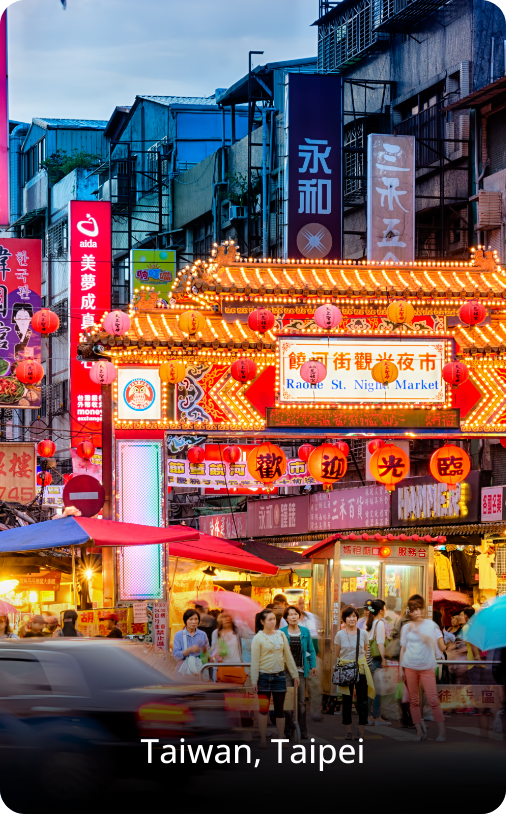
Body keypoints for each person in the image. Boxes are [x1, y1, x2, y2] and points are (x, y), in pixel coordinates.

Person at [399, 596, 446, 742]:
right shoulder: (406, 627)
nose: (417, 612)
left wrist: (418, 632)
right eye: (413, 610)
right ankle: (418, 731)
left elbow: (432, 642)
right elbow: (403, 648)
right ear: (409, 612)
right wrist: (401, 668)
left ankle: (442, 732)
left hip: (426, 666)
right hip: (410, 666)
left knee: (432, 699)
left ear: (423, 609)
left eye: (419, 609)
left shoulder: (430, 625)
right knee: (413, 701)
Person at [251, 609, 299, 749]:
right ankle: (263, 739)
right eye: (270, 619)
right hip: (264, 676)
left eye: (274, 619)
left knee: (280, 710)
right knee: (263, 710)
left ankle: (280, 739)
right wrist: (254, 680)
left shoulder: (281, 635)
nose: (273, 622)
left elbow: (288, 656)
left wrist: (294, 674)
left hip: (280, 676)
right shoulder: (258, 638)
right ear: (262, 621)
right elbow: (255, 661)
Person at [334, 607, 374, 740]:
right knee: (347, 701)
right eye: (349, 616)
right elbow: (337, 653)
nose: (352, 619)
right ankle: (348, 731)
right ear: (344, 619)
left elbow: (365, 651)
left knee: (362, 701)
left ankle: (361, 730)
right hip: (345, 669)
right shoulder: (339, 634)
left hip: (361, 669)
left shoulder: (363, 633)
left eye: (354, 616)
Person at [281, 605, 317, 740]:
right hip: (286, 672)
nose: (293, 616)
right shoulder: (281, 632)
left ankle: (303, 730)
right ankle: (288, 731)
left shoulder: (305, 631)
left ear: (299, 616)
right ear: (286, 618)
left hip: (301, 671)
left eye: (295, 614)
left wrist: (313, 665)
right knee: (288, 702)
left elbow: (311, 650)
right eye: (290, 614)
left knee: (301, 702)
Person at [364, 599, 390, 725]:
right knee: (376, 690)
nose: (385, 610)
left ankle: (369, 716)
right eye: (385, 608)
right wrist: (384, 659)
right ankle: (377, 717)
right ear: (380, 611)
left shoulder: (369, 623)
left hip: (367, 659)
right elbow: (380, 644)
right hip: (375, 659)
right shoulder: (379, 624)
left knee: (370, 689)